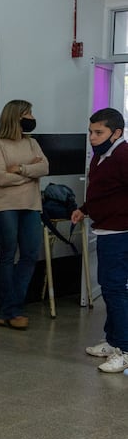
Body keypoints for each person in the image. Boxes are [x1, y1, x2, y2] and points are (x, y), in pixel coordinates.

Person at [0, 100, 49, 330]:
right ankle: (12, 311)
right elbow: (0, 178)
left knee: (30, 254)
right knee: (7, 254)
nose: (31, 117)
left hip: (31, 205)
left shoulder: (32, 143)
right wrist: (30, 173)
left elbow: (45, 168)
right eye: (28, 113)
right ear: (16, 116)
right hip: (3, 206)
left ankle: (10, 308)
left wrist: (20, 169)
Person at [72, 108, 128, 374]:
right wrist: (84, 208)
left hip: (120, 233)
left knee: (116, 290)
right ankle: (113, 340)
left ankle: (125, 350)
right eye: (91, 132)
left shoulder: (123, 155)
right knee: (109, 287)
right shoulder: (102, 156)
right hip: (106, 230)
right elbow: (102, 191)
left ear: (116, 133)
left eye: (99, 133)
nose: (92, 137)